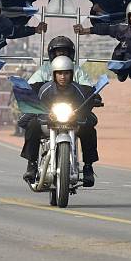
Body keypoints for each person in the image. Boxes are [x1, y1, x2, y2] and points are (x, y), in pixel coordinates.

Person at [20, 56, 102, 186]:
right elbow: (40, 108)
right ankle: (31, 165)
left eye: (66, 73)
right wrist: (48, 115)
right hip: (49, 122)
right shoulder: (45, 89)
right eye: (59, 73)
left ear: (71, 74)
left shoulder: (79, 90)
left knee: (89, 130)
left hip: (72, 122)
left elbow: (85, 105)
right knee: (33, 125)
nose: (63, 76)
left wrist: (79, 113)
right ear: (53, 74)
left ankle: (88, 167)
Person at [28, 36, 93, 86]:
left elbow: (87, 86)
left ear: (70, 53)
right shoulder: (44, 70)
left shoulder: (77, 70)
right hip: (49, 101)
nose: (62, 53)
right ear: (53, 53)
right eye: (59, 51)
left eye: (64, 51)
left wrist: (91, 94)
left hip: (72, 101)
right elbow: (31, 85)